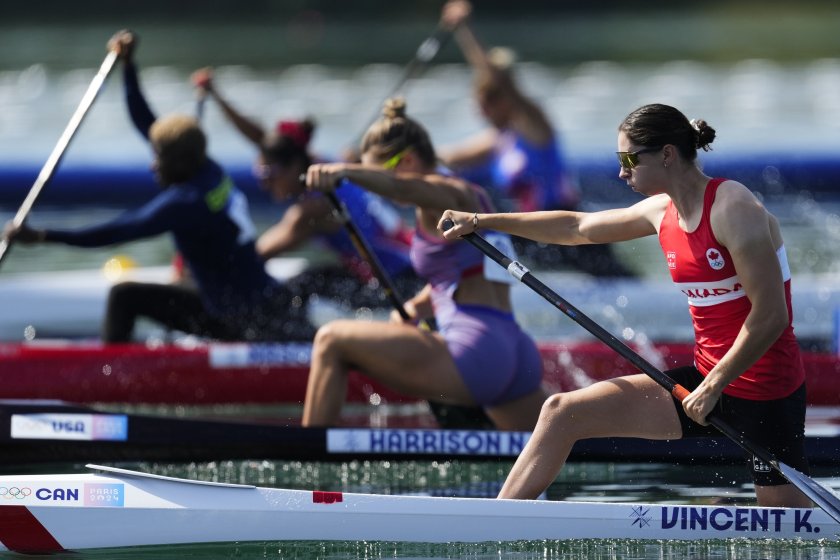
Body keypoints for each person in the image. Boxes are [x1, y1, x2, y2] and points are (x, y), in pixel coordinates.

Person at [439, 103, 811, 508]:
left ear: (667, 154)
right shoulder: (660, 212)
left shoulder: (733, 209)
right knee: (562, 412)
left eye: (629, 159)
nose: (621, 172)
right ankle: (498, 522)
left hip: (766, 392)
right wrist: (483, 221)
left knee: (786, 526)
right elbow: (575, 227)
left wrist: (713, 386)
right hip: (703, 384)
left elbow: (772, 315)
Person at [3, 30, 313, 343]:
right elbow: (146, 122)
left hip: (243, 323)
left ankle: (108, 376)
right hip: (264, 304)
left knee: (125, 296)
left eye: (158, 159)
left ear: (177, 163)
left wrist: (43, 236)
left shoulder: (186, 202)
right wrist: (128, 67)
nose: (152, 165)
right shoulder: (207, 168)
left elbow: (115, 232)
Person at [301, 97, 548, 430]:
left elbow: (403, 185)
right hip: (515, 351)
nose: (381, 192)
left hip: (475, 351)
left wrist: (345, 171)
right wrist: (418, 307)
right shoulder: (473, 195)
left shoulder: (443, 196)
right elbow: (462, 274)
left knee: (331, 339)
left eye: (377, 178)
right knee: (557, 459)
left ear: (409, 160)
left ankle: (310, 460)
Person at [191, 68, 421, 313]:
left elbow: (254, 257)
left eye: (268, 175)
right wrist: (217, 96)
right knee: (312, 279)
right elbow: (265, 141)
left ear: (295, 167)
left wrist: (199, 264)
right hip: (407, 263)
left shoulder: (312, 209)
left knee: (297, 289)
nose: (263, 183)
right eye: (260, 174)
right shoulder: (322, 164)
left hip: (402, 284)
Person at [438, 0, 634, 276]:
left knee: (620, 279)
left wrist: (464, 30)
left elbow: (499, 79)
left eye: (487, 103)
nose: (481, 112)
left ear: (504, 100)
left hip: (567, 224)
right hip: (534, 232)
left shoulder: (534, 124)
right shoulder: (498, 140)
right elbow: (444, 156)